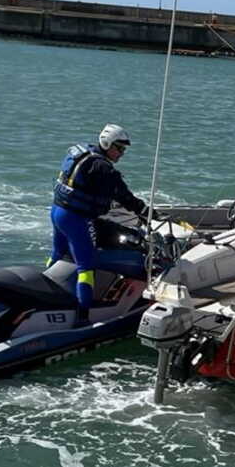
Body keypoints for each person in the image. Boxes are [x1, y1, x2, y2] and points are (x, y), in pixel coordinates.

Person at [51, 124, 155, 326]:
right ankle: (83, 317)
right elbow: (124, 196)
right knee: (86, 266)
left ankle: (48, 291)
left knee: (58, 253)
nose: (122, 153)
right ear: (107, 144)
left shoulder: (83, 153)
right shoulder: (103, 168)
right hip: (75, 218)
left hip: (57, 211)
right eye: (119, 148)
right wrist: (144, 211)